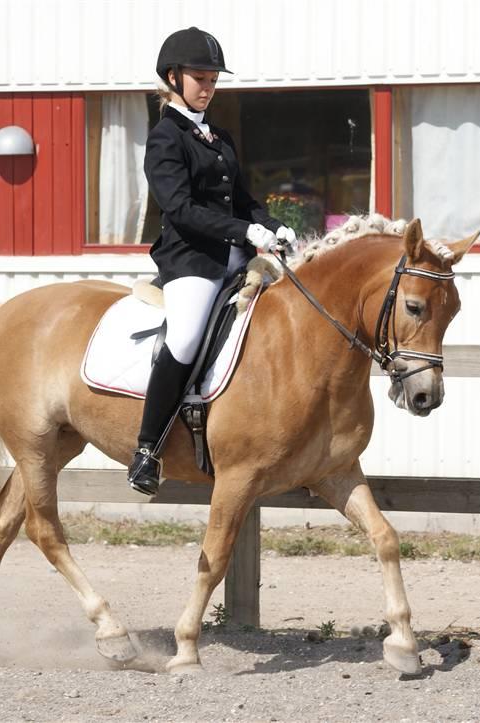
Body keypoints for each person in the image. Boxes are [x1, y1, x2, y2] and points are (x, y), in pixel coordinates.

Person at [127, 26, 296, 495]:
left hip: (236, 256)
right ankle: (147, 450)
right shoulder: (166, 139)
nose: (208, 87)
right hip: (191, 261)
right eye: (200, 78)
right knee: (183, 339)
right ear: (173, 78)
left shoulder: (218, 137)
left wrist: (272, 223)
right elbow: (179, 208)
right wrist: (245, 231)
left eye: (213, 79)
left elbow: (241, 200)